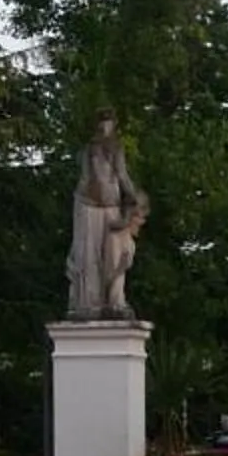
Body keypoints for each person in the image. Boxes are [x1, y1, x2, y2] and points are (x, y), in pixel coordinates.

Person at [66, 111, 149, 319]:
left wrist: (133, 197)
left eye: (108, 122)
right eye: (102, 122)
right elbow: (106, 177)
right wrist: (134, 197)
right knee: (90, 256)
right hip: (90, 205)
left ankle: (111, 302)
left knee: (113, 256)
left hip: (105, 206)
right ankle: (91, 304)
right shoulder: (91, 150)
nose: (105, 127)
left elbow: (121, 176)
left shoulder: (113, 148)